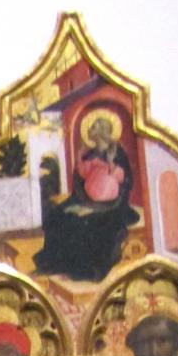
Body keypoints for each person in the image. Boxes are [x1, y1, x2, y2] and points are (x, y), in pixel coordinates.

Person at [32, 114, 139, 283]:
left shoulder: (118, 154)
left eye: (94, 128)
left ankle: (84, 270)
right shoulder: (88, 154)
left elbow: (125, 182)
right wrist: (84, 200)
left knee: (87, 223)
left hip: (111, 204)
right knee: (57, 214)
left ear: (102, 132)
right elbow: (78, 181)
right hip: (84, 199)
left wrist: (105, 197)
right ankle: (54, 263)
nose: (90, 132)